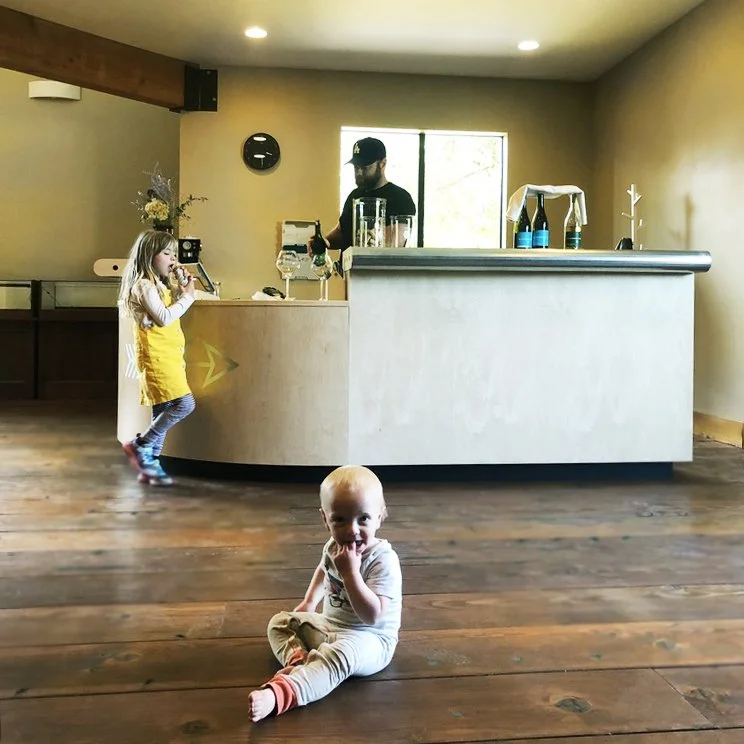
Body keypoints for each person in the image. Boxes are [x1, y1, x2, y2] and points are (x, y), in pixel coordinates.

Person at [248, 464, 402, 723]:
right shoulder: (333, 546)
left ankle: (282, 693)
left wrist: (351, 574)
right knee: (280, 622)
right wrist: (309, 601)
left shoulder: (382, 559)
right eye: (340, 520)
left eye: (363, 519)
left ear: (380, 516)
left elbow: (373, 616)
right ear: (325, 519)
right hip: (329, 627)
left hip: (370, 641)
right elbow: (324, 569)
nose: (352, 530)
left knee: (340, 654)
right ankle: (300, 662)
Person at [118, 229, 196, 487]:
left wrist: (181, 287)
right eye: (166, 253)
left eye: (174, 254)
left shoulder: (158, 285)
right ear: (148, 256)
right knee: (185, 404)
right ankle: (141, 444)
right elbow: (163, 318)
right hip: (156, 356)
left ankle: (150, 465)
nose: (173, 258)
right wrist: (188, 297)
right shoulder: (143, 285)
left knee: (162, 409)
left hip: (168, 354)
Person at [309, 137, 416, 265]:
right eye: (356, 167)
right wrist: (325, 242)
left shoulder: (400, 198)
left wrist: (371, 240)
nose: (359, 172)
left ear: (382, 164)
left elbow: (393, 245)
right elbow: (342, 232)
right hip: (348, 273)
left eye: (365, 167)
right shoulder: (354, 196)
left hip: (377, 274)